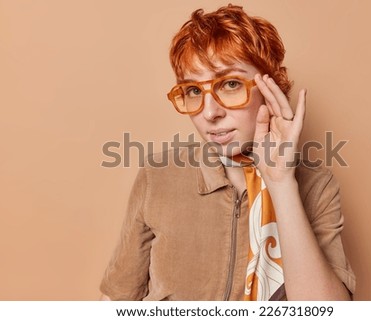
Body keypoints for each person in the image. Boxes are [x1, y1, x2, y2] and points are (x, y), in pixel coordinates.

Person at [100, 4, 355, 301]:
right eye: (194, 90)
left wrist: (282, 184)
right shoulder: (157, 176)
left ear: (270, 88)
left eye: (230, 84)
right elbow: (116, 301)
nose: (209, 113)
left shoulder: (317, 186)